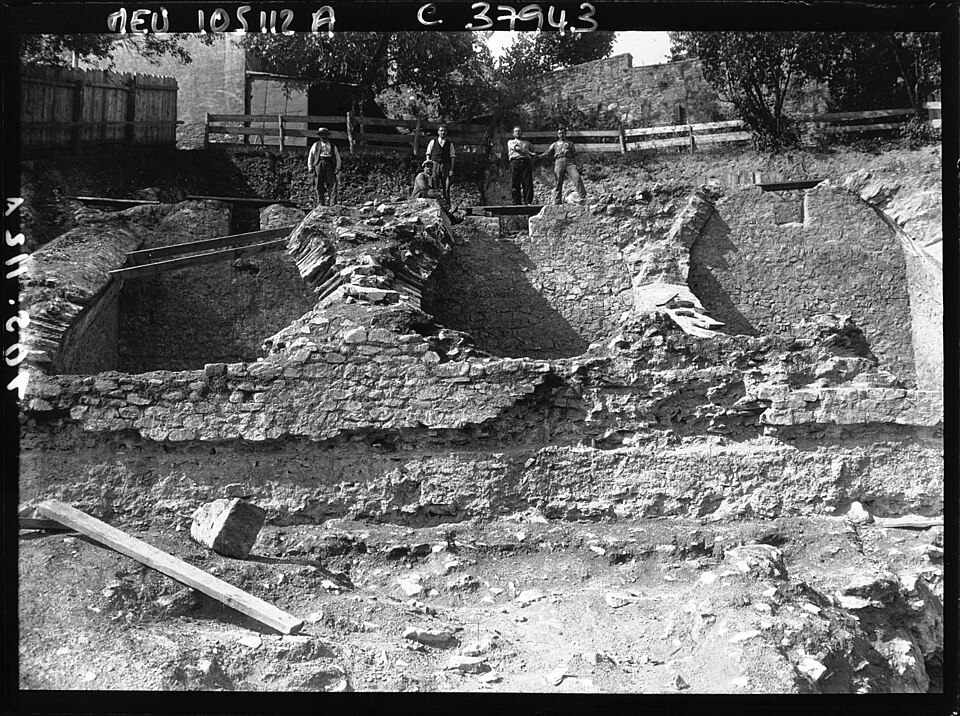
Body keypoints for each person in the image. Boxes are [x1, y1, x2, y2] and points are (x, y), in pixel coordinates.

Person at [538, 126, 587, 205]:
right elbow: (547, 152)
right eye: (560, 133)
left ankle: (583, 196)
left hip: (569, 162)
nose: (561, 135)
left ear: (565, 134)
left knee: (576, 177)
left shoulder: (570, 144)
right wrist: (539, 156)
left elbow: (575, 155)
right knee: (558, 181)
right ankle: (557, 200)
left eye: (563, 133)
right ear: (558, 135)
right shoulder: (554, 144)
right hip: (559, 161)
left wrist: (578, 164)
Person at [307, 127, 341, 205]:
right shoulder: (316, 145)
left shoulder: (332, 146)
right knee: (319, 184)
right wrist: (310, 167)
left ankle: (332, 204)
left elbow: (337, 157)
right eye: (322, 135)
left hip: (330, 165)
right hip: (319, 164)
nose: (324, 137)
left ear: (328, 136)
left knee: (332, 184)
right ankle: (320, 203)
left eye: (325, 135)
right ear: (320, 136)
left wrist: (337, 167)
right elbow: (311, 156)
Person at [424, 124, 456, 204]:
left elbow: (452, 157)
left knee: (446, 185)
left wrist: (451, 169)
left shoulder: (450, 144)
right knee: (434, 183)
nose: (443, 132)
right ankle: (434, 204)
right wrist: (428, 166)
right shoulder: (433, 142)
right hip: (435, 165)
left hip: (445, 165)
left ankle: (447, 205)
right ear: (438, 132)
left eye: (444, 131)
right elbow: (428, 153)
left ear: (446, 132)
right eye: (441, 130)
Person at [507, 125, 535, 205]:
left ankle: (528, 202)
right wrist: (530, 153)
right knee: (515, 183)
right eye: (516, 131)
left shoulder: (527, 143)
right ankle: (517, 203)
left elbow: (534, 151)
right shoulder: (511, 142)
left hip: (526, 162)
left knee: (527, 183)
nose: (518, 132)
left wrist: (534, 156)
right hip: (515, 162)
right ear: (513, 133)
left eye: (519, 131)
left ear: (521, 133)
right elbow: (518, 149)